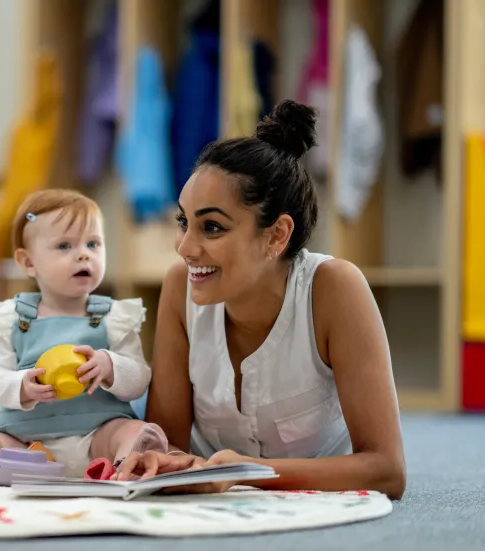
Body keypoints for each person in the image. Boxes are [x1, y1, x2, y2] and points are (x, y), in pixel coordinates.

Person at [113, 100, 407, 500]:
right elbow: (170, 445)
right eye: (184, 222)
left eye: (211, 227)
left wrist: (246, 474)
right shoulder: (179, 286)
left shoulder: (335, 288)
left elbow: (387, 470)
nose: (184, 246)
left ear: (276, 236)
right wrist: (160, 462)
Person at [0, 189, 169, 484]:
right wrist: (21, 386)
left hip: (96, 436)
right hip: (26, 445)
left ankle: (126, 466)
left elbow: (139, 377)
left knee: (134, 431)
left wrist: (110, 366)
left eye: (93, 243)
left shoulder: (114, 318)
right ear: (27, 262)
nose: (84, 253)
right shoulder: (11, 319)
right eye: (64, 245)